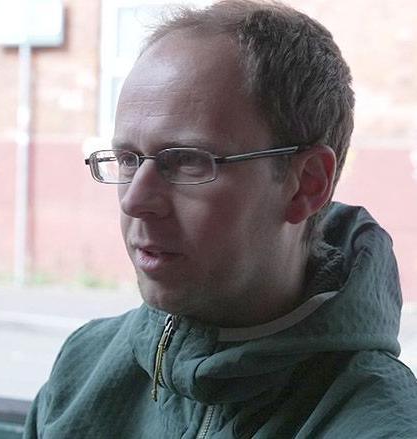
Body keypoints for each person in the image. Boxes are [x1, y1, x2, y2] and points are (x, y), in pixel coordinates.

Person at [24, 1, 417, 437]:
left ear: (307, 184)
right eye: (128, 159)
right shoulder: (84, 366)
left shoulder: (373, 423)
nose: (134, 201)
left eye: (187, 161)